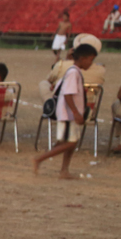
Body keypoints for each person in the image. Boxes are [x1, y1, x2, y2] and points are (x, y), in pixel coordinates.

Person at [33, 43, 95, 178]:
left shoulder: (74, 71)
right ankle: (40, 159)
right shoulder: (73, 73)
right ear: (83, 58)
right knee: (70, 143)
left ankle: (64, 170)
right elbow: (68, 94)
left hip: (70, 114)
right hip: (68, 115)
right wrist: (76, 113)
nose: (91, 63)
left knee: (72, 142)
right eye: (91, 59)